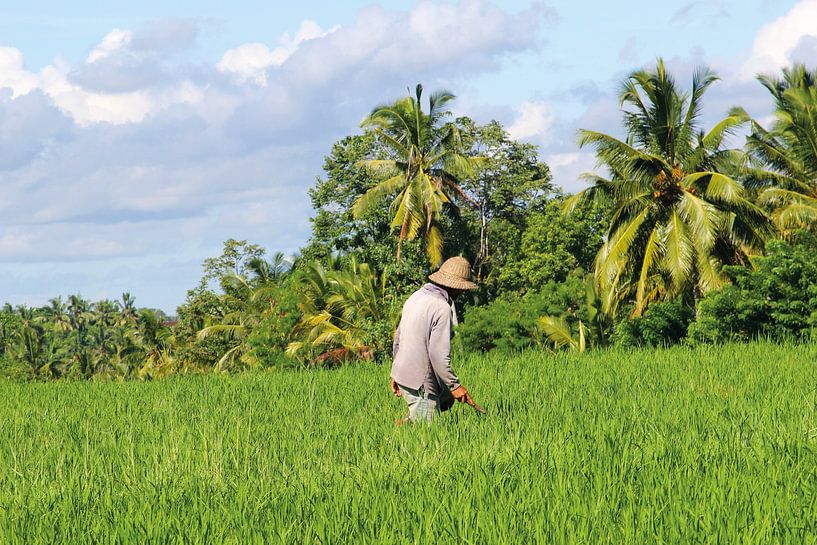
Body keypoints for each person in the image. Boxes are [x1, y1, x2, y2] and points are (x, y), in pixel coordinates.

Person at [390, 256, 478, 423]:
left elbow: (398, 339)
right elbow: (438, 355)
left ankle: (411, 419)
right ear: (456, 287)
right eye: (463, 288)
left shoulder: (415, 297)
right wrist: (456, 386)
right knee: (427, 434)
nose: (464, 291)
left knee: (445, 399)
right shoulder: (441, 307)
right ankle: (396, 432)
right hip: (419, 380)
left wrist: (396, 373)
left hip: (404, 373)